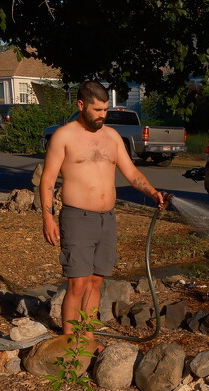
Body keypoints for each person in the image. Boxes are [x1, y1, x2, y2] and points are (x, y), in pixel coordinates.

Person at [39, 80, 168, 343]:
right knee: (77, 282)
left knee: (97, 282)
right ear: (81, 105)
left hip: (107, 219)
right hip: (77, 218)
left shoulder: (111, 137)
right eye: (97, 110)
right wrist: (47, 217)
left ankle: (87, 338)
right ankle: (69, 342)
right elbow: (48, 180)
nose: (102, 115)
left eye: (105, 110)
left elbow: (131, 173)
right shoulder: (64, 136)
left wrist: (153, 192)